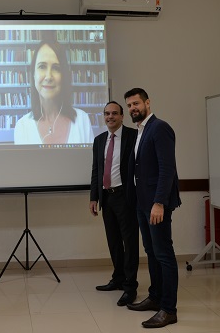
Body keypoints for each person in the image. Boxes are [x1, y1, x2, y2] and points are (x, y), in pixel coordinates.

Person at [124, 88, 181, 329]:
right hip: (142, 204)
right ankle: (155, 297)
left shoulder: (159, 128)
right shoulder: (141, 131)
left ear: (148, 103)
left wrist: (159, 203)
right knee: (151, 252)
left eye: (136, 103)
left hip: (156, 205)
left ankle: (168, 309)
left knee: (163, 254)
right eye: (129, 105)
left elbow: (167, 169)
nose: (132, 108)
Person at [90, 101, 139, 307]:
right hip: (107, 197)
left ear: (122, 116)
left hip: (125, 197)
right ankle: (118, 278)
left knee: (130, 242)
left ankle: (130, 286)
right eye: (107, 114)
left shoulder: (133, 136)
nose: (110, 117)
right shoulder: (99, 140)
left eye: (114, 113)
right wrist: (94, 197)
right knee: (113, 241)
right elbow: (96, 170)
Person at [13, 39, 94, 144]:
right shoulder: (22, 127)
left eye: (56, 68)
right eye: (42, 66)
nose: (48, 77)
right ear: (33, 74)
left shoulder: (82, 120)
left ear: (63, 75)